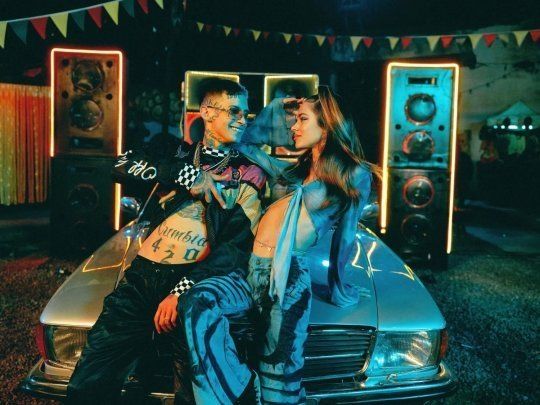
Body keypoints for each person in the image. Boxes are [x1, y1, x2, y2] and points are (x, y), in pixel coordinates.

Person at [66, 78, 266, 404]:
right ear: (207, 112)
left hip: (190, 283)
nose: (243, 120)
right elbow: (120, 166)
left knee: (190, 394)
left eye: (246, 113)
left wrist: (181, 290)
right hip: (141, 277)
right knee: (87, 383)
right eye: (234, 111)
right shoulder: (173, 150)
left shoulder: (248, 172)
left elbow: (234, 248)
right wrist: (187, 175)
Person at [180, 85, 378, 404]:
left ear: (328, 125)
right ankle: (242, 389)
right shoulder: (291, 173)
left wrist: (338, 287)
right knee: (198, 301)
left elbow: (346, 236)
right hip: (249, 270)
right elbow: (243, 142)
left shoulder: (354, 173)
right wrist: (274, 108)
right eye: (293, 119)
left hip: (286, 281)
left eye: (302, 119)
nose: (293, 126)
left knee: (279, 377)